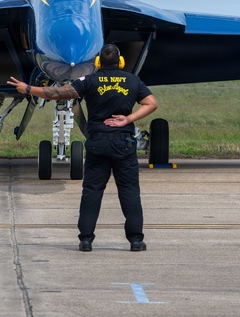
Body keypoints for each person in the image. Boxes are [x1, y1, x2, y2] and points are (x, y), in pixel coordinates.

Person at [8, 44, 158, 252]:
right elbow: (151, 103)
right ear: (120, 61)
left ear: (97, 63)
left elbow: (57, 93)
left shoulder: (88, 80)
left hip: (97, 142)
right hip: (123, 143)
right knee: (129, 191)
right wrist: (128, 119)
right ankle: (135, 240)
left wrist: (27, 89)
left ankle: (86, 240)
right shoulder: (133, 81)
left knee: (92, 191)